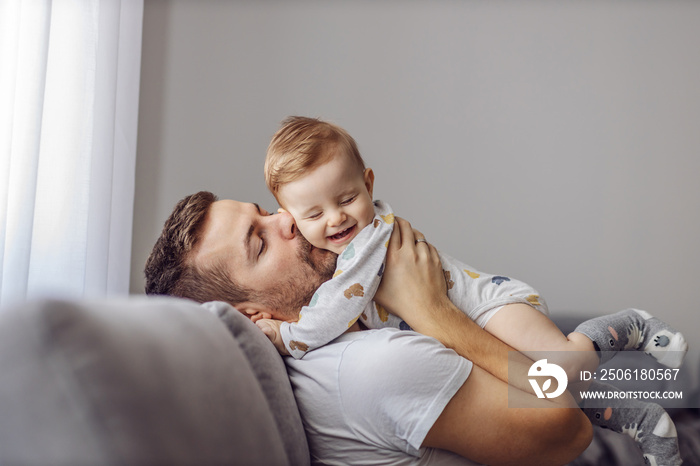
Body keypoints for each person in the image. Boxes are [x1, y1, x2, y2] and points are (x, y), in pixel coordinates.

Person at [258, 116, 687, 465]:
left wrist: (287, 335)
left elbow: (335, 309)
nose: (336, 219)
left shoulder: (366, 244)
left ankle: (630, 325)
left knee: (559, 371)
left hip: (485, 306)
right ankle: (642, 421)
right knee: (546, 389)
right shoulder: (336, 261)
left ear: (369, 183)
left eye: (347, 198)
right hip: (465, 324)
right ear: (290, 217)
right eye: (314, 213)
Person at [145, 191, 592, 465]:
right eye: (259, 243)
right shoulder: (374, 368)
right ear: (253, 317)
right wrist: (433, 312)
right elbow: (568, 429)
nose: (287, 217)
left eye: (263, 210)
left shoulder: (341, 333)